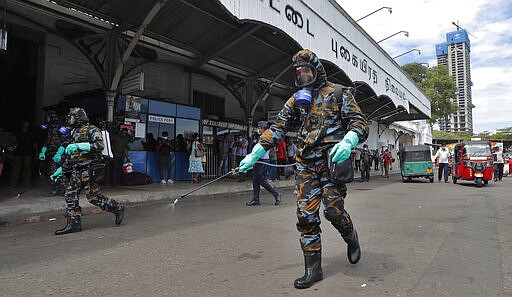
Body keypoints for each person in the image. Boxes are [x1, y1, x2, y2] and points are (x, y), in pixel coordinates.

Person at [238, 50, 368, 289]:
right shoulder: (297, 99)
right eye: (298, 71)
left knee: (333, 211)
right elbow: (277, 128)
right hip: (306, 164)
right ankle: (313, 269)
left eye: (306, 70)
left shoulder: (339, 94)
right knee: (305, 215)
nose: (302, 74)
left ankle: (351, 237)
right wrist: (255, 153)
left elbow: (359, 122)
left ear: (316, 69)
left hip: (331, 163)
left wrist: (349, 140)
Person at [50, 107, 125, 235]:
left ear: (79, 118)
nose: (70, 120)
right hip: (76, 170)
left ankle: (117, 207)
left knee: (93, 197)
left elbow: (99, 146)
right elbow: (72, 155)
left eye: (73, 117)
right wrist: (61, 170)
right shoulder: (73, 132)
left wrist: (80, 145)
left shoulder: (92, 129)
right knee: (70, 194)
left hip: (89, 170)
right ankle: (74, 223)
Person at [246, 121, 281, 206]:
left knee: (261, 180)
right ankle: (256, 199)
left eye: (259, 128)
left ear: (263, 129)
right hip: (260, 160)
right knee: (255, 180)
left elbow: (261, 151)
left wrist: (254, 159)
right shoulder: (264, 136)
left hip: (262, 160)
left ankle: (276, 194)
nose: (258, 129)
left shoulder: (265, 137)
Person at [38, 110, 68, 195]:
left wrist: (59, 153)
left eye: (47, 117)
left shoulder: (61, 126)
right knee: (52, 172)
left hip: (59, 153)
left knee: (59, 171)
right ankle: (56, 188)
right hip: (51, 153)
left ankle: (63, 189)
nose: (46, 119)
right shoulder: (49, 127)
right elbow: (47, 141)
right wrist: (43, 151)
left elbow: (65, 141)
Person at [9, 120, 37, 188]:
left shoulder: (31, 133)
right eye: (24, 123)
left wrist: (36, 152)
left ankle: (26, 184)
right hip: (18, 152)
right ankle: (12, 184)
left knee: (27, 168)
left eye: (27, 123)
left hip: (28, 152)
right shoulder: (17, 132)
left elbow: (34, 143)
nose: (25, 124)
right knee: (16, 168)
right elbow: (12, 143)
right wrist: (10, 153)